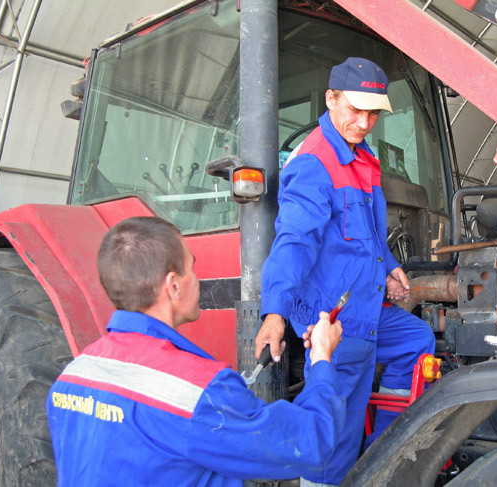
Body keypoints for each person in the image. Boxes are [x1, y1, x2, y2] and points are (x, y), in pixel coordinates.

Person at [46, 216, 345, 487]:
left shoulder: (72, 377)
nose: (198, 279)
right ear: (174, 286)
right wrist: (321, 357)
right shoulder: (200, 393)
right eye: (192, 267)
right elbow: (313, 442)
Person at [256, 57, 436, 486]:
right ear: (331, 99)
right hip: (334, 316)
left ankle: (385, 453)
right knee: (335, 432)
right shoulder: (314, 164)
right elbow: (294, 243)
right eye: (355, 109)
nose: (364, 121)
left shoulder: (363, 158)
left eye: (373, 113)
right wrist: (275, 314)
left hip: (364, 302)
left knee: (416, 340)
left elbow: (372, 232)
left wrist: (390, 268)